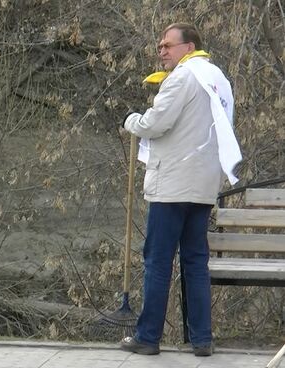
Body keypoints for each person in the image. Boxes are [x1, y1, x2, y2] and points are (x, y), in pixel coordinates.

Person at [120, 23, 241, 356]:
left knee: (158, 261)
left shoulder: (183, 77)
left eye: (168, 45)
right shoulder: (218, 79)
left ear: (189, 47)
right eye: (160, 45)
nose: (162, 51)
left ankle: (147, 337)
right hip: (202, 186)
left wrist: (132, 120)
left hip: (172, 186)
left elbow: (154, 124)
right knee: (195, 262)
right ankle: (202, 340)